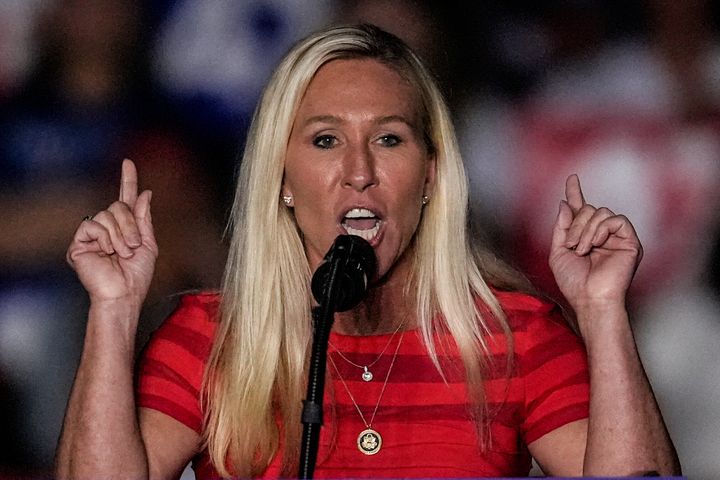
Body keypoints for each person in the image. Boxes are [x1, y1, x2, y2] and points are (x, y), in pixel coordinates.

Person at [55, 24, 680, 478]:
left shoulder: (515, 335)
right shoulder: (212, 338)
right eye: (326, 140)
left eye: (389, 139)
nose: (359, 171)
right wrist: (112, 311)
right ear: (282, 180)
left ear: (432, 176)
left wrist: (603, 311)